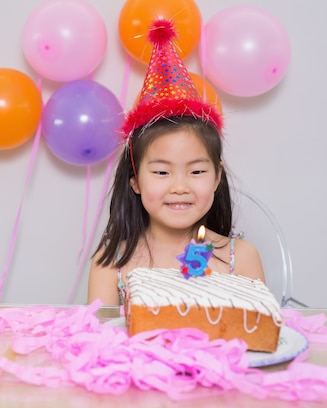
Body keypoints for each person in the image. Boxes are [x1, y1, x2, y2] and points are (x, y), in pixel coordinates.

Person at [87, 19, 264, 306]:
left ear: (217, 176)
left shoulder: (239, 257)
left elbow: (256, 337)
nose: (180, 186)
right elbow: (102, 343)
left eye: (196, 171)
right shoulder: (111, 264)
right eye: (161, 171)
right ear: (135, 180)